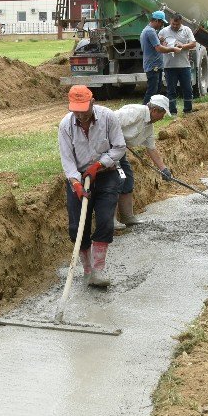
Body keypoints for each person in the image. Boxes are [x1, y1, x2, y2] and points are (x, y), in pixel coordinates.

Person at [58, 85, 126, 287]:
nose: (80, 114)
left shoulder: (108, 118)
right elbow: (67, 159)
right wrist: (76, 182)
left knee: (105, 221)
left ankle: (98, 271)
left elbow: (119, 147)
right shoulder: (65, 126)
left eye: (83, 109)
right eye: (75, 110)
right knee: (77, 227)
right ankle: (87, 270)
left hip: (106, 175)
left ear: (92, 102)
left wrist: (99, 165)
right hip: (79, 177)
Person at [114, 95, 174, 225]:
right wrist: (114, 143)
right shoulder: (135, 112)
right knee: (118, 178)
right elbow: (109, 122)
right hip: (108, 149)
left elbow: (151, 149)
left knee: (127, 177)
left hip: (119, 152)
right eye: (162, 114)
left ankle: (127, 217)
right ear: (155, 111)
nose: (162, 117)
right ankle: (110, 220)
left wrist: (163, 169)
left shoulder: (149, 127)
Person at [158, 13, 197, 115]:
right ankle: (172, 111)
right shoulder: (164, 31)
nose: (175, 26)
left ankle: (188, 110)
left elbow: (193, 43)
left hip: (184, 65)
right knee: (171, 90)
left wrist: (182, 46)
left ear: (181, 23)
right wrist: (162, 43)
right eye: (173, 24)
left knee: (187, 88)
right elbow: (158, 45)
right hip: (169, 66)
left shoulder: (186, 30)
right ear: (170, 21)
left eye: (177, 24)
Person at [139, 11, 175, 105]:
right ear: (156, 21)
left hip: (154, 65)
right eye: (161, 23)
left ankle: (153, 111)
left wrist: (161, 42)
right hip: (153, 65)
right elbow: (159, 49)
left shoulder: (148, 30)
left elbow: (155, 46)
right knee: (152, 91)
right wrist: (173, 49)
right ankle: (145, 110)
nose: (162, 25)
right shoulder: (150, 31)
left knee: (156, 90)